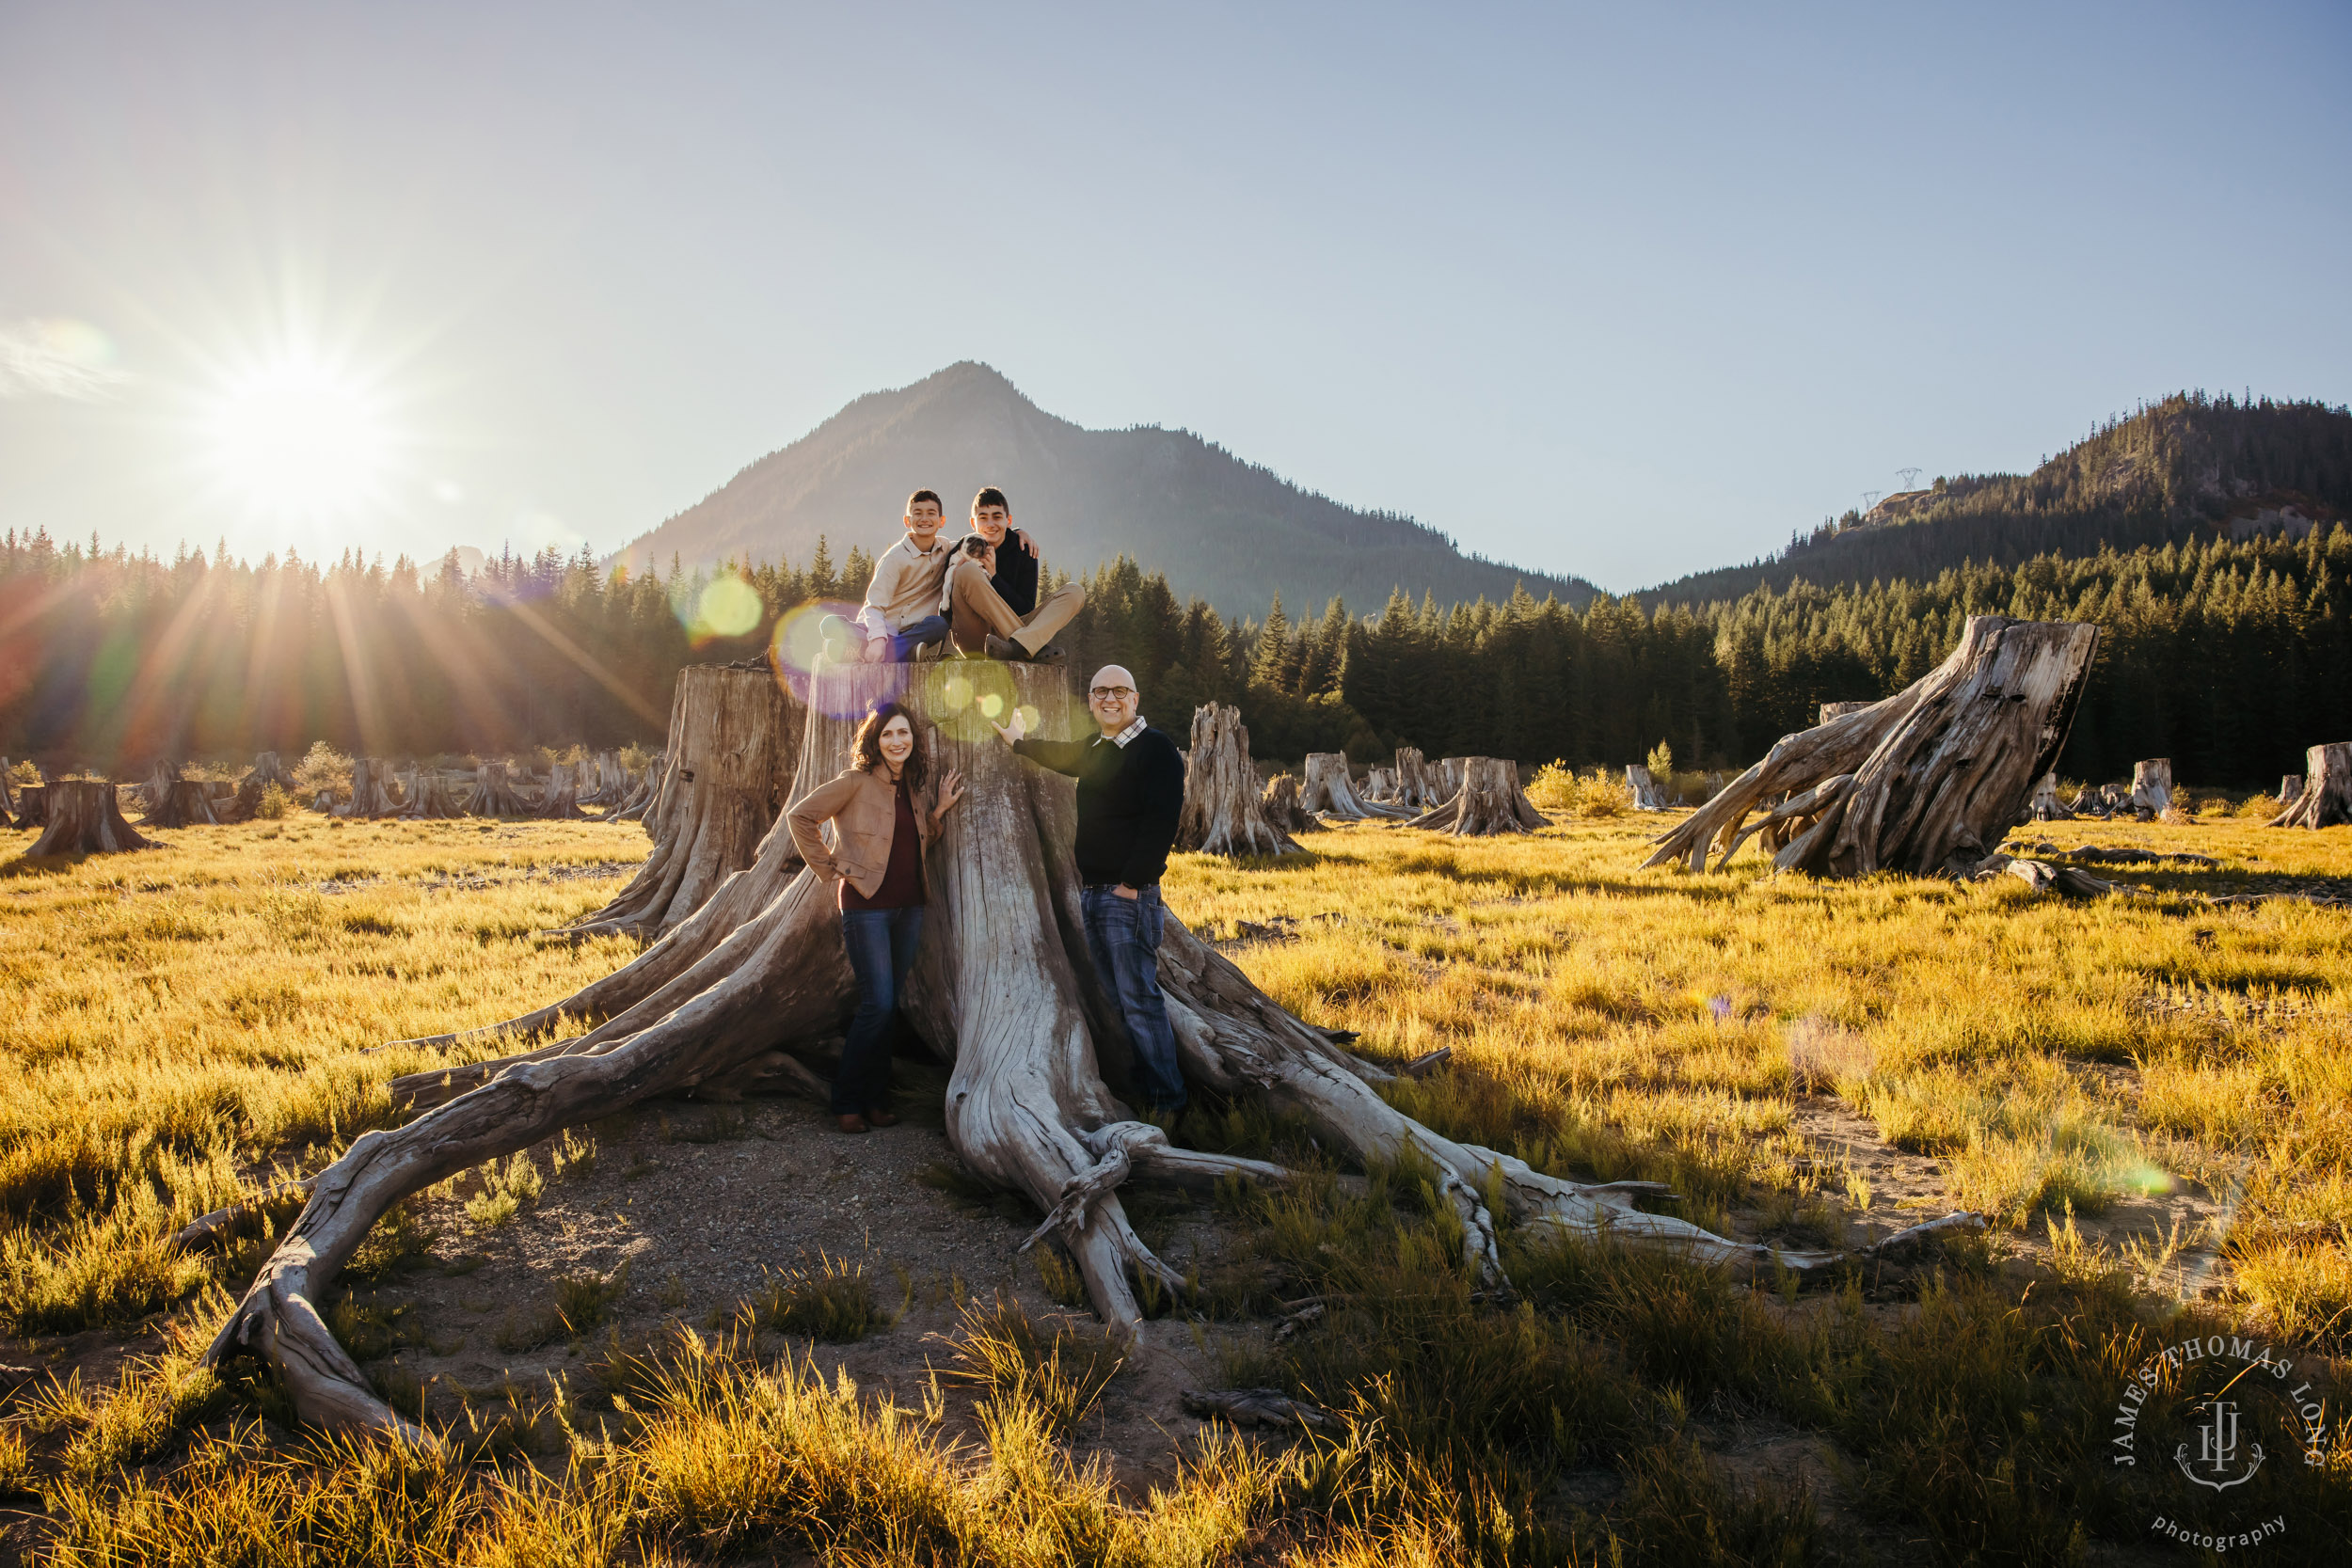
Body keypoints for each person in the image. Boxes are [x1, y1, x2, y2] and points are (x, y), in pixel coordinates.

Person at [990, 664, 1187, 1114]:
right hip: (1095, 894)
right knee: (1119, 1001)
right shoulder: (1097, 747)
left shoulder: (1154, 749)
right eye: (1100, 692)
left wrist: (1133, 885)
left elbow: (1162, 822)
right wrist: (1018, 742)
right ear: (1092, 701)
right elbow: (1061, 754)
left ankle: (1169, 1104)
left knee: (1139, 1001)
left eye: (1120, 691)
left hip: (1127, 897)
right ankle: (1144, 1089)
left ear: (1135, 699)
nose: (1109, 699)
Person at [787, 702, 964, 1132]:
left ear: (913, 740)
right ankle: (847, 1100)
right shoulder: (855, 782)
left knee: (889, 1008)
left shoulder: (914, 788)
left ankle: (877, 1098)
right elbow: (801, 816)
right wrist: (829, 869)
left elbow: (918, 839)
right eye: (887, 734)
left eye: (903, 733)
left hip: (911, 907)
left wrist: (938, 811)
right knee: (877, 1005)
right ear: (875, 740)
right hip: (866, 907)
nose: (896, 741)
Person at [942, 485, 1084, 663]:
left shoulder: (1023, 549)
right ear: (973, 523)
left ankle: (1017, 648)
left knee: (1075, 591)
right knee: (967, 571)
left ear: (1008, 520)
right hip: (976, 640)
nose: (990, 524)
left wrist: (994, 576)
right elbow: (946, 603)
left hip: (1015, 630)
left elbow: (1024, 609)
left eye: (997, 517)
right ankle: (1029, 648)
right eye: (983, 518)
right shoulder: (962, 550)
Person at [819, 490, 952, 663]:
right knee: (828, 624)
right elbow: (874, 606)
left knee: (939, 625)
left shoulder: (947, 549)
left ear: (941, 521)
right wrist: (878, 640)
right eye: (917, 513)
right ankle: (901, 652)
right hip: (880, 629)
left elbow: (970, 545)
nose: (924, 519)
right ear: (907, 520)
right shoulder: (895, 558)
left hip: (914, 631)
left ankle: (861, 650)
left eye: (931, 513)